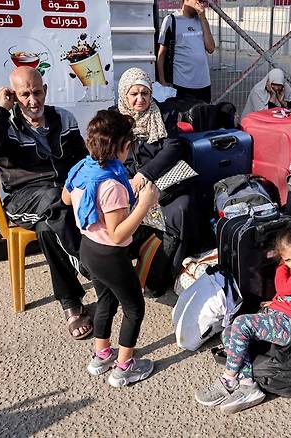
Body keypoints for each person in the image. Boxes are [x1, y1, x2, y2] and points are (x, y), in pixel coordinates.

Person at [0, 66, 92, 340]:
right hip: (24, 198)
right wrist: (0, 110)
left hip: (63, 194)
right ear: (14, 96)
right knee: (55, 201)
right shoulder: (5, 124)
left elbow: (81, 160)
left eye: (37, 92)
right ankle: (89, 264)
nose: (33, 100)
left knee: (48, 228)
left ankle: (71, 305)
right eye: (24, 94)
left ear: (46, 91)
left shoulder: (64, 118)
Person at [63, 110, 160, 387]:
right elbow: (118, 235)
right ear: (121, 147)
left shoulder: (83, 168)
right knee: (134, 308)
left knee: (106, 300)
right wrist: (143, 204)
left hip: (89, 249)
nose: (129, 150)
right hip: (110, 255)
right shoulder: (111, 184)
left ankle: (101, 355)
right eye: (128, 145)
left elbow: (67, 198)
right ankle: (124, 367)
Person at [195, 226, 291, 414]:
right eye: (288, 260)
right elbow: (288, 295)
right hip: (279, 315)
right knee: (229, 331)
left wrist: (281, 265)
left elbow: (283, 288)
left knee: (242, 324)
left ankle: (228, 379)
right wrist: (275, 303)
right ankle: (247, 383)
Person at [115, 67, 199, 297]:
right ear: (124, 94)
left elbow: (173, 147)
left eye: (145, 93)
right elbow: (109, 154)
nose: (140, 99)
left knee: (180, 209)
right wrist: (131, 178)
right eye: (134, 94)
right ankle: (136, 262)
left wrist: (146, 174)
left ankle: (165, 273)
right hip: (128, 183)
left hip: (165, 182)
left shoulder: (162, 115)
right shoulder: (115, 118)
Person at [157, 0, 215, 103]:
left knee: (203, 116)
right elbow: (161, 54)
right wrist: (162, 81)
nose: (201, 4)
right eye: (198, 1)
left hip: (204, 84)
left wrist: (203, 18)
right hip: (182, 84)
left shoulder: (201, 20)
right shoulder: (171, 20)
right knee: (183, 117)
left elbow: (210, 48)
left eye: (202, 1)